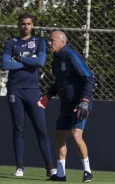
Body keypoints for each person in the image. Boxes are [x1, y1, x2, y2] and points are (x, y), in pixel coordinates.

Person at [1, 13, 56, 177]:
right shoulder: (11, 42)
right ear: (18, 25)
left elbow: (40, 62)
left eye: (28, 24)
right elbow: (5, 64)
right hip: (15, 91)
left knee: (41, 129)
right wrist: (27, 60)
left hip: (33, 91)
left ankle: (50, 168)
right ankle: (19, 167)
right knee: (18, 129)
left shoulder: (39, 42)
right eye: (23, 23)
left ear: (32, 25)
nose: (25, 26)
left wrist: (18, 59)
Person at [38, 31, 94, 182]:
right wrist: (48, 95)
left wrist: (84, 101)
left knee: (76, 135)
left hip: (80, 103)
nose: (49, 43)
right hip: (66, 104)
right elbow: (58, 83)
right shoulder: (56, 59)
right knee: (59, 136)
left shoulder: (71, 55)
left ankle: (88, 171)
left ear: (62, 42)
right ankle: (61, 174)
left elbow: (89, 78)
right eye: (49, 40)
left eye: (52, 40)